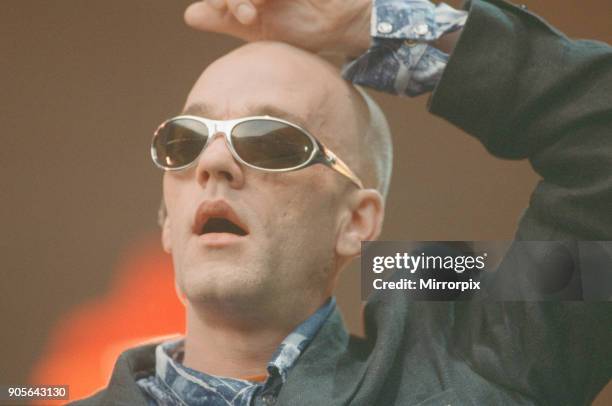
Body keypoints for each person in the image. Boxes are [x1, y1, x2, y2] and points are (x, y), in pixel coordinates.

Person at [73, 0, 612, 404]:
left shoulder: (472, 371)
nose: (213, 164)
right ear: (167, 219)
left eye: (270, 141)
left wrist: (380, 29)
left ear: (357, 220)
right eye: (185, 140)